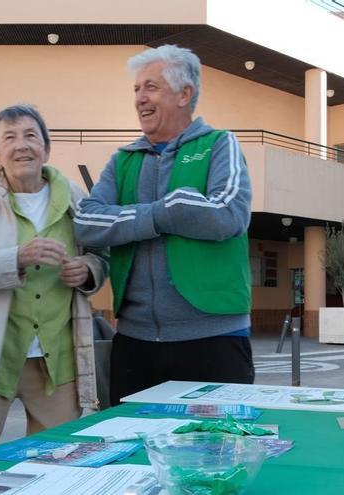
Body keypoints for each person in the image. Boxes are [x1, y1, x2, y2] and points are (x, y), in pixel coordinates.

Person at [74, 44, 255, 404]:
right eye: (136, 89)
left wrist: (133, 218)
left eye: (151, 87)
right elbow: (86, 221)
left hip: (215, 340)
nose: (140, 98)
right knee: (130, 439)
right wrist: (162, 214)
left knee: (215, 440)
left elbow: (228, 215)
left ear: (184, 94)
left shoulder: (220, 145)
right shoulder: (123, 160)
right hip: (134, 342)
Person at [0, 105, 107, 463]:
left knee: (60, 467)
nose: (22, 145)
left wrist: (88, 270)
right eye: (9, 138)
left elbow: (101, 257)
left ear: (46, 148)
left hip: (58, 365)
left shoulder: (77, 201)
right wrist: (15, 259)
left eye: (30, 135)